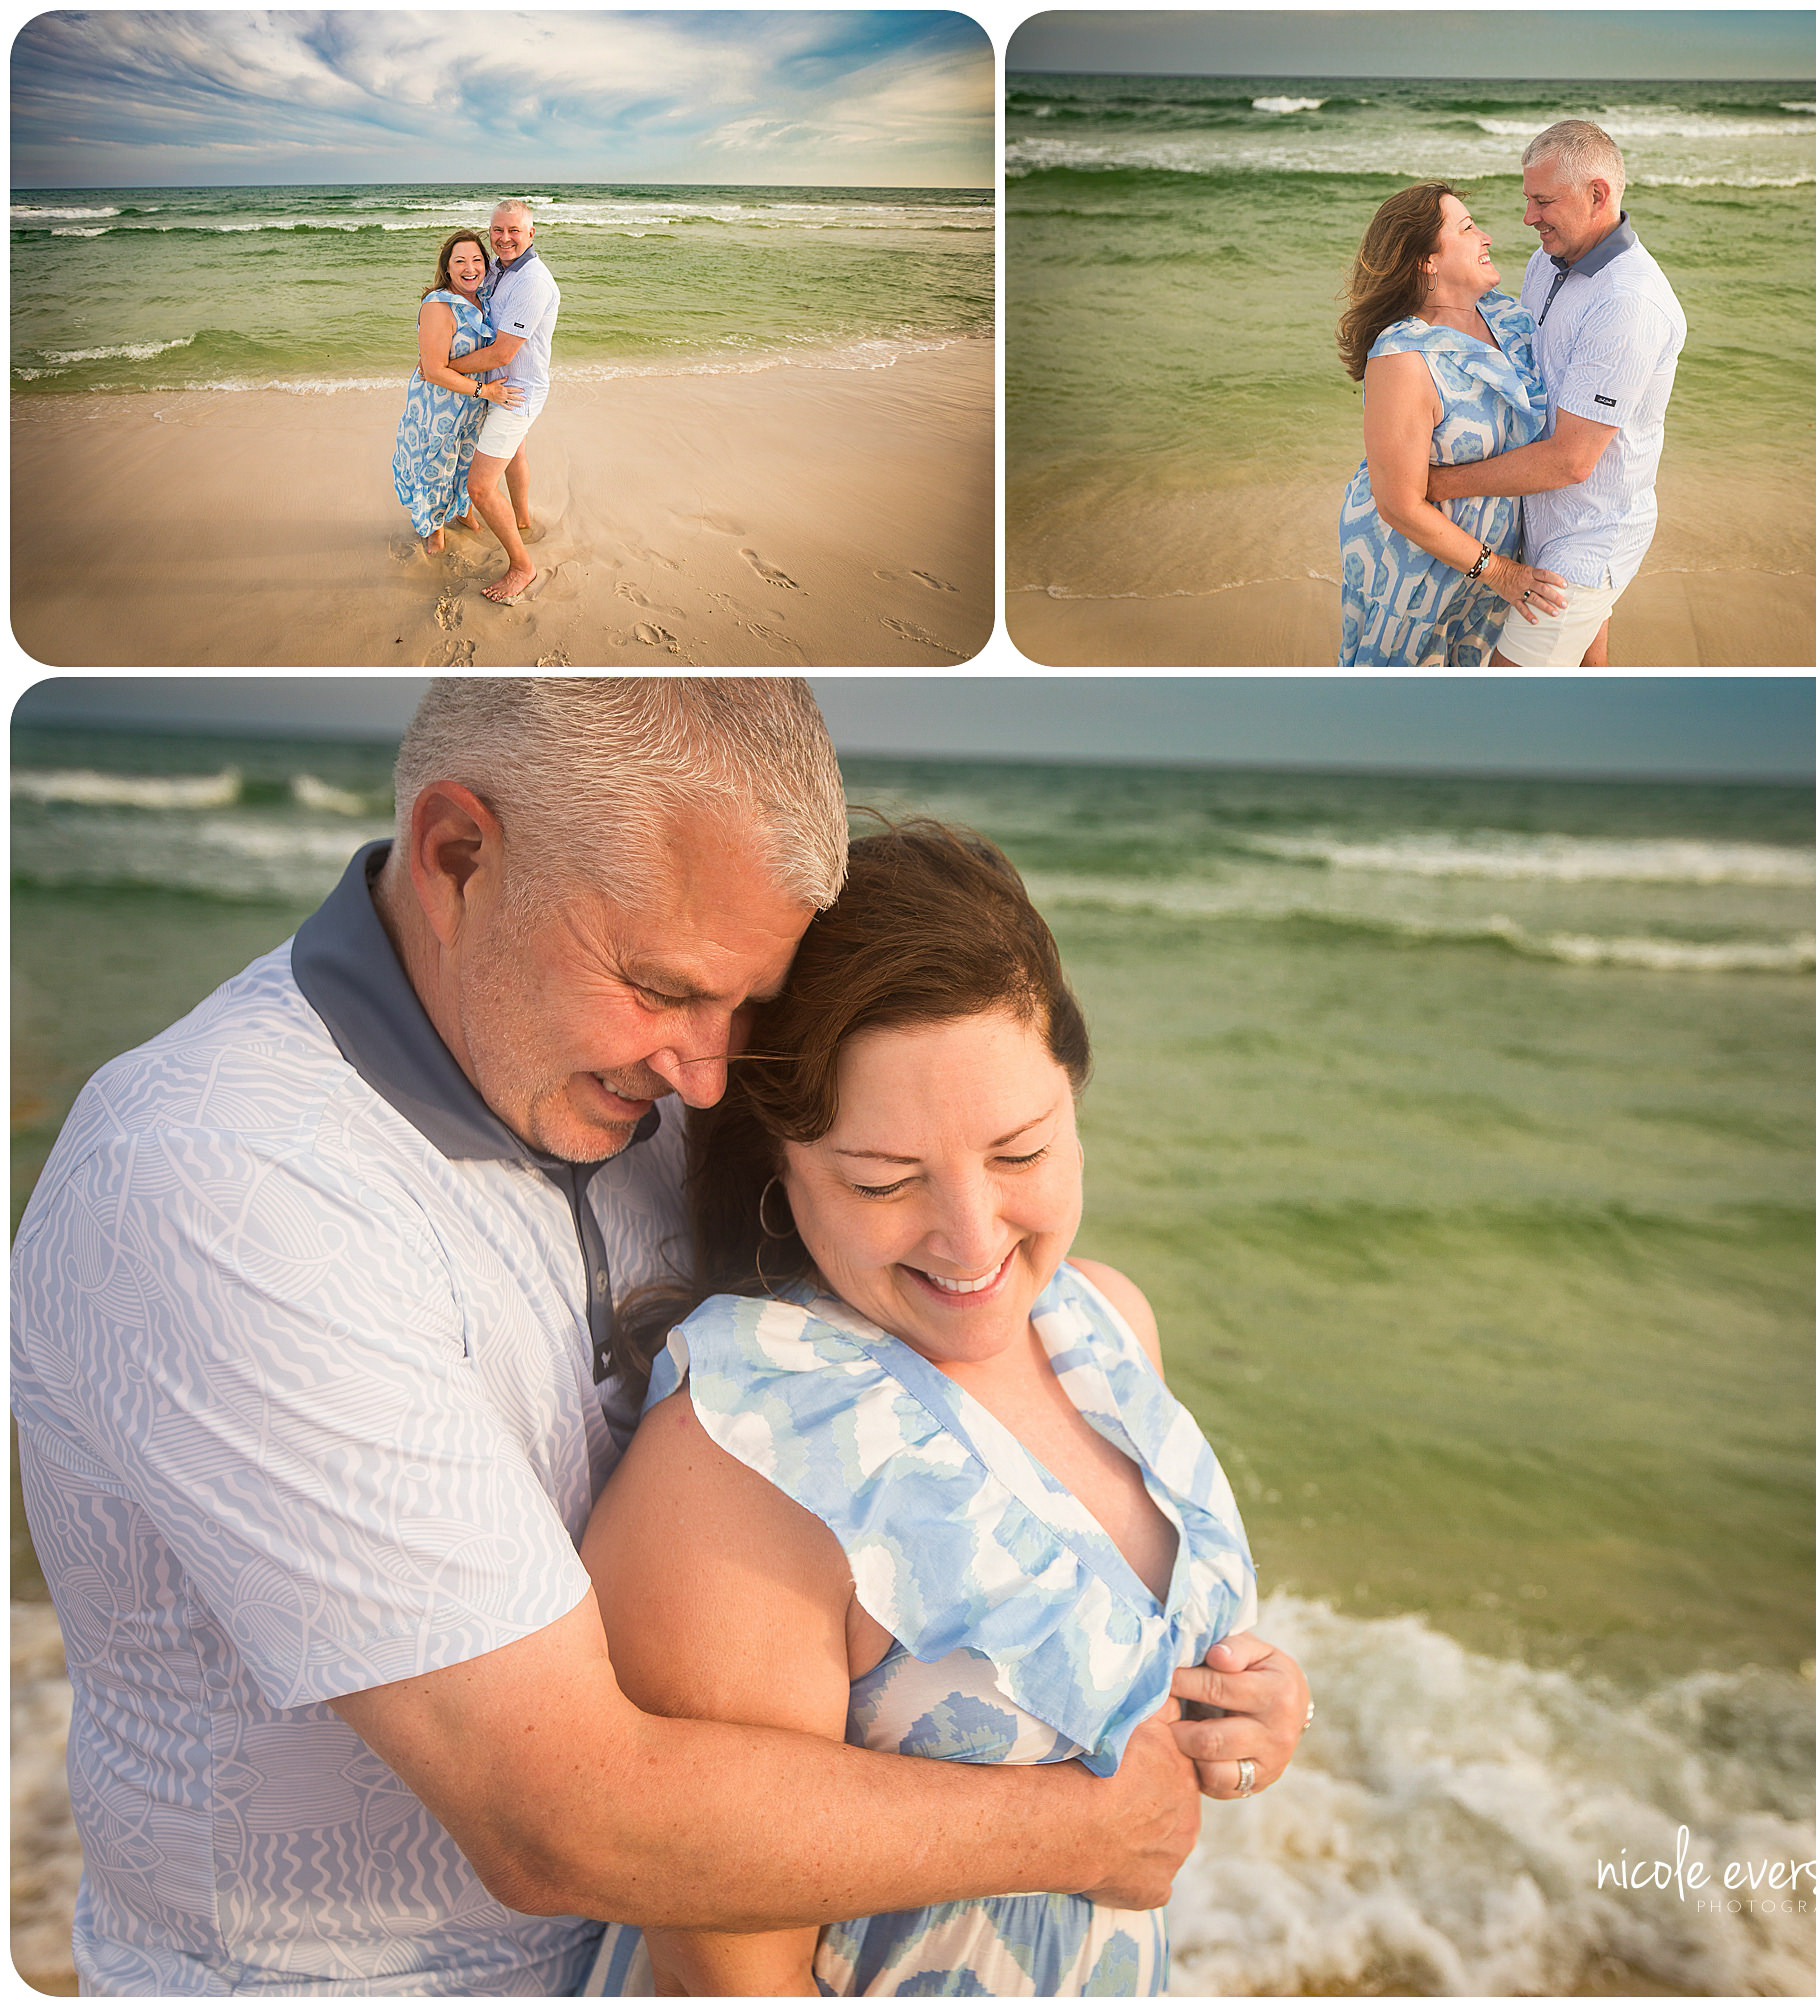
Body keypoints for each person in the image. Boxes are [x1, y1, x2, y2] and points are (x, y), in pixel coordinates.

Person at [10, 678, 1305, 1997]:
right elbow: (558, 1813)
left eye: (748, 1006)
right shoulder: (222, 1186)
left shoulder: (643, 1084)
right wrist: (1096, 1826)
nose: (708, 1075)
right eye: (661, 987)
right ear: (457, 856)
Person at [581, 820, 1294, 1996]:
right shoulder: (739, 1460)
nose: (971, 1242)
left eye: (1019, 1154)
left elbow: (1129, 1713)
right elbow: (726, 1971)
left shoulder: (1104, 1327)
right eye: (884, 1180)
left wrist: (1250, 1718)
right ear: (783, 1164)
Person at [1426, 121, 1688, 668]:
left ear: (1598, 194)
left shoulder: (1628, 304)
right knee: (1582, 693)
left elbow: (1572, 460)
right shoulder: (1548, 260)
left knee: (1502, 711)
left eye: (1543, 200)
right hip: (1537, 518)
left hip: (1588, 539)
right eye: (1528, 199)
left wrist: (1438, 485)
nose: (1528, 218)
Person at [1337, 183, 1571, 665]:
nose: (1485, 236)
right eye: (1467, 228)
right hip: (1417, 574)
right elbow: (1398, 504)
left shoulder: (1508, 319)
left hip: (1490, 572)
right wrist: (1501, 573)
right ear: (1427, 260)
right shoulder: (1403, 357)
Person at [391, 229, 524, 556]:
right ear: (447, 268)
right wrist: (484, 390)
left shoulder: (485, 298)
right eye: (460, 260)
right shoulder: (438, 306)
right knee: (435, 468)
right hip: (439, 407)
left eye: (477, 260)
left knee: (464, 465)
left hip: (472, 407)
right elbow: (434, 371)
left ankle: (461, 512)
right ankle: (434, 529)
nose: (470, 267)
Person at [466, 197, 561, 606]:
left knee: (481, 487)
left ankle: (522, 566)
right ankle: (521, 518)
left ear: (531, 234)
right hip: (502, 387)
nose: (504, 239)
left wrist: (443, 367)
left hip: (516, 392)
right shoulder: (499, 269)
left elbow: (503, 353)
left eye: (513, 231)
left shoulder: (532, 282)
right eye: (497, 231)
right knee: (516, 453)